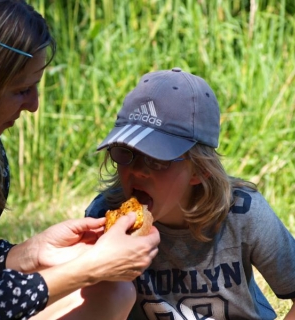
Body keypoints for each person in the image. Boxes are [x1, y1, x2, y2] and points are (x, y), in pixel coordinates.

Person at [0, 1, 160, 319]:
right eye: (22, 90)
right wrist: (85, 269)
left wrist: (29, 254)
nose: (34, 105)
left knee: (111, 292)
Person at [85, 67, 295, 319]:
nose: (138, 170)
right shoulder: (104, 216)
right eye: (124, 152)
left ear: (200, 169)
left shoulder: (243, 214)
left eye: (156, 158)